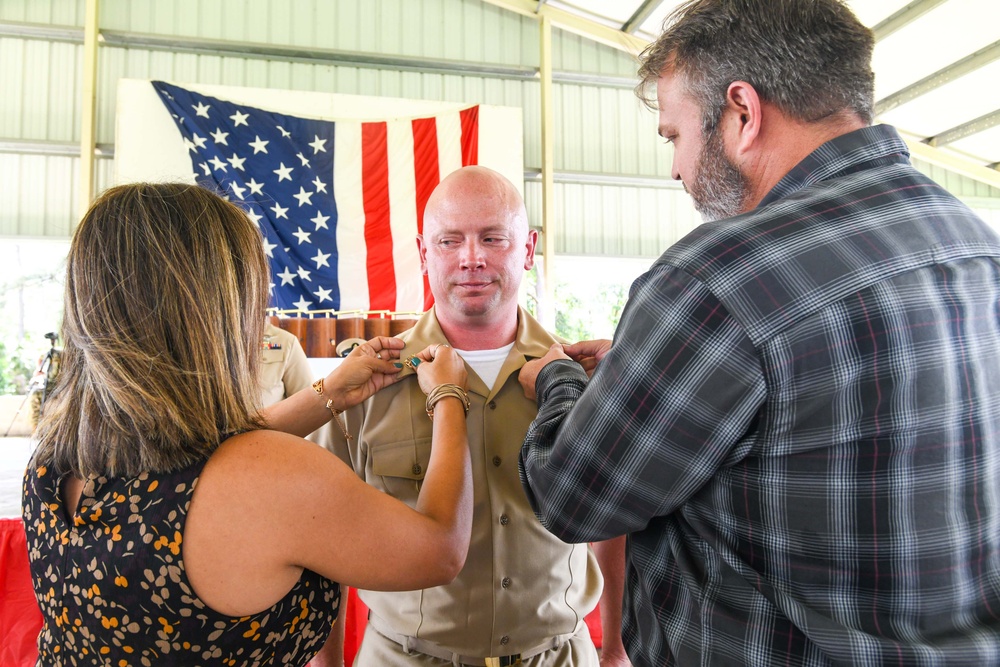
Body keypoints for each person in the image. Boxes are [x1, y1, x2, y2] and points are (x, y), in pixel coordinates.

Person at [517, 1, 1000, 665]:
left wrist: (557, 380)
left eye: (673, 136)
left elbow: (575, 496)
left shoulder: (718, 278)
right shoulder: (974, 243)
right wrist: (642, 370)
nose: (676, 169)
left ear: (742, 112)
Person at [22, 182, 473, 666]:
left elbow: (198, 457)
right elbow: (440, 549)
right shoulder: (274, 478)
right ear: (215, 312)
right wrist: (449, 396)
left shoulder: (53, 459)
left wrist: (330, 393)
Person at [313, 165, 630, 667]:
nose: (472, 258)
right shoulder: (364, 383)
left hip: (559, 656)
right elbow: (323, 534)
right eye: (449, 241)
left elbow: (611, 519)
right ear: (423, 253)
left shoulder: (582, 378)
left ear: (527, 249)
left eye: (493, 238)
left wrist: (614, 646)